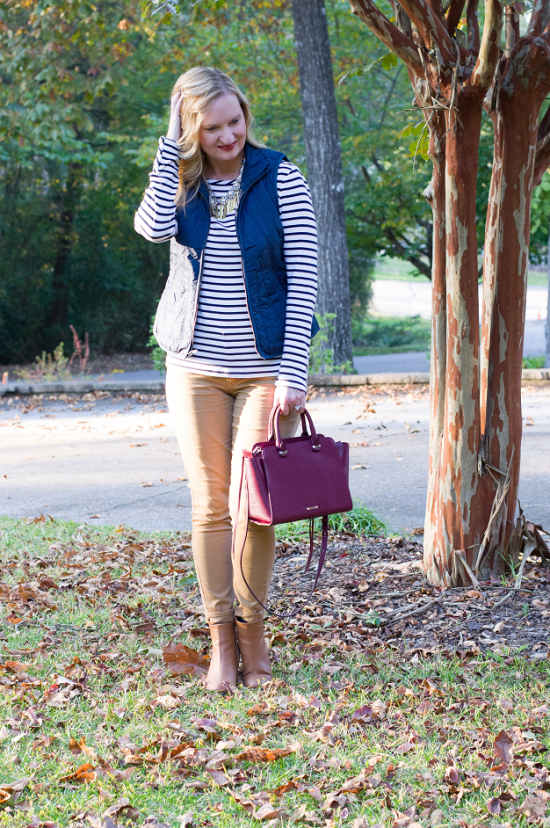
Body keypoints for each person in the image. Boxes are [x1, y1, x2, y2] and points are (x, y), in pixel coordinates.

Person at [134, 66, 318, 691]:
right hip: (194, 368)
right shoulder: (179, 183)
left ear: (246, 112)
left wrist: (294, 373)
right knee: (212, 506)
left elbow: (305, 276)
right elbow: (152, 226)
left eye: (234, 120)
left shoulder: (279, 175)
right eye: (210, 127)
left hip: (267, 371)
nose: (227, 135)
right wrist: (169, 147)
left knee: (254, 510)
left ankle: (254, 639)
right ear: (189, 128)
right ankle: (219, 647)